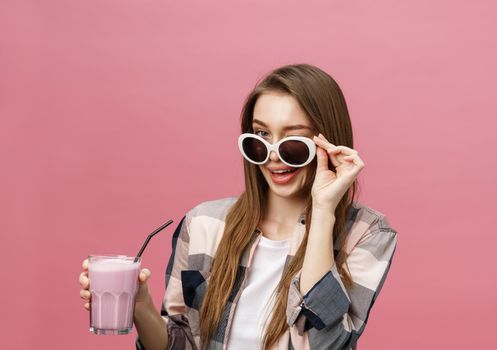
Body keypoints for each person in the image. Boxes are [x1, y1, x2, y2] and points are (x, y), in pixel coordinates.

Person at [79, 63, 398, 350]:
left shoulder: (367, 233)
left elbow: (327, 344)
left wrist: (324, 209)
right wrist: (139, 304)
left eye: (292, 142)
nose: (272, 156)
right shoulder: (203, 223)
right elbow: (180, 345)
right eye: (261, 136)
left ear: (327, 143)